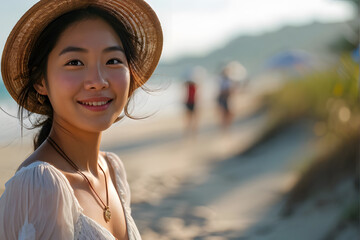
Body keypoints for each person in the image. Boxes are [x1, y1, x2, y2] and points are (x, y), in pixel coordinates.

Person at [0, 0, 162, 239]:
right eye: (74, 62)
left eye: (113, 60)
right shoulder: (39, 186)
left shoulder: (112, 170)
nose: (98, 81)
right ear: (40, 81)